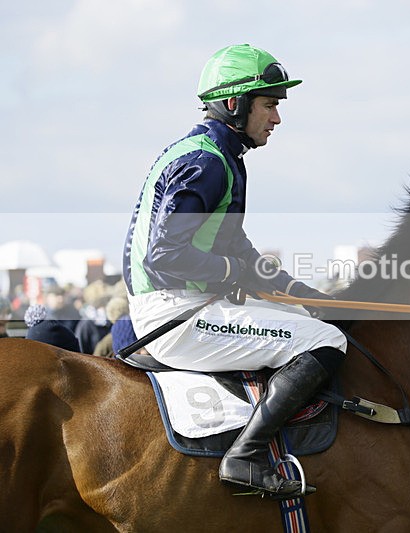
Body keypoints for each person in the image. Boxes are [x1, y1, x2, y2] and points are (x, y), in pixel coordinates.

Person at [122, 44, 347, 499]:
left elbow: (236, 248)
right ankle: (244, 456)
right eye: (270, 105)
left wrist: (301, 292)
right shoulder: (205, 162)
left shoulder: (218, 156)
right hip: (175, 314)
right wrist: (232, 273)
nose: (277, 118)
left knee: (313, 321)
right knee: (328, 341)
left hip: (182, 306)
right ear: (234, 104)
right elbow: (165, 257)